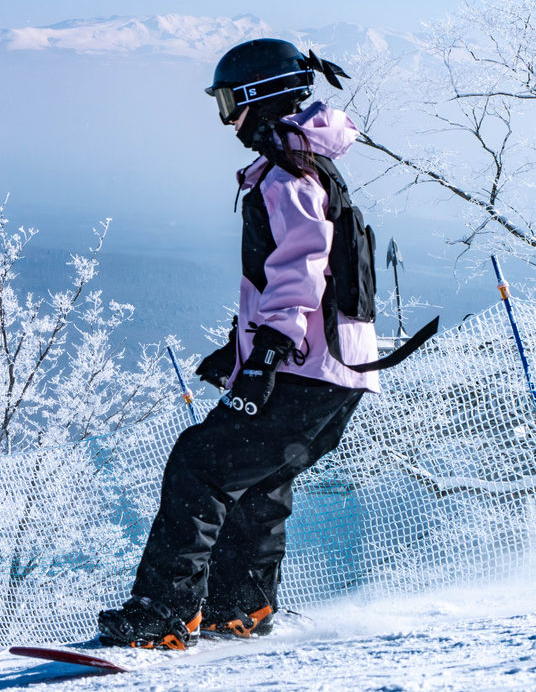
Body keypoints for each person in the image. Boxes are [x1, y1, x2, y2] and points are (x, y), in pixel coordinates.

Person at [97, 38, 380, 650]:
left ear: (259, 98)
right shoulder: (302, 167)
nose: (227, 120)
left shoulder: (289, 176)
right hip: (335, 372)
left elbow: (301, 268)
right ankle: (240, 607)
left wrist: (269, 353)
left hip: (304, 366)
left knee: (199, 464)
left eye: (229, 103)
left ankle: (164, 615)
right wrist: (240, 346)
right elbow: (294, 274)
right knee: (255, 477)